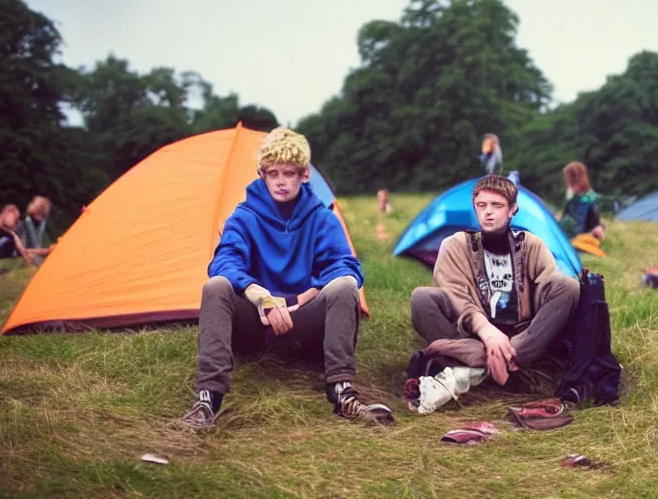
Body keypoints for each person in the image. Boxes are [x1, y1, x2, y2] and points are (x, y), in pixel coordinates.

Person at [182, 127, 394, 429]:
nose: (281, 182)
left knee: (345, 286)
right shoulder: (244, 216)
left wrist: (307, 295)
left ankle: (341, 391)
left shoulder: (321, 217)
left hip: (304, 322)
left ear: (304, 175)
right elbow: (223, 261)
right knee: (216, 286)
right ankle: (208, 399)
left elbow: (347, 266)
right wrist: (261, 297)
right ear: (262, 174)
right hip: (256, 321)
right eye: (273, 173)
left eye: (289, 173)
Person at [407, 175, 579, 414]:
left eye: (496, 206)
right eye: (482, 206)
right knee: (422, 298)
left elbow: (549, 286)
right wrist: (487, 332)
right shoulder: (455, 245)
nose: (488, 212)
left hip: (522, 334)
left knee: (568, 286)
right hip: (473, 333)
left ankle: (507, 360)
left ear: (512, 210)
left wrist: (516, 341)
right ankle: (487, 362)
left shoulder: (531, 245)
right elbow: (457, 296)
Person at [556, 162, 604, 241]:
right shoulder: (574, 196)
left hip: (580, 237)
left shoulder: (587, 198)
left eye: (568, 180)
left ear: (576, 181)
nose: (567, 183)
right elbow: (567, 214)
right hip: (575, 233)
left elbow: (577, 225)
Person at [19, 196, 53, 266]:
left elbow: (44, 242)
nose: (42, 218)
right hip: (29, 252)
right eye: (41, 214)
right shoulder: (25, 222)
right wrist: (44, 251)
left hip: (39, 251)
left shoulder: (41, 223)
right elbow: (25, 249)